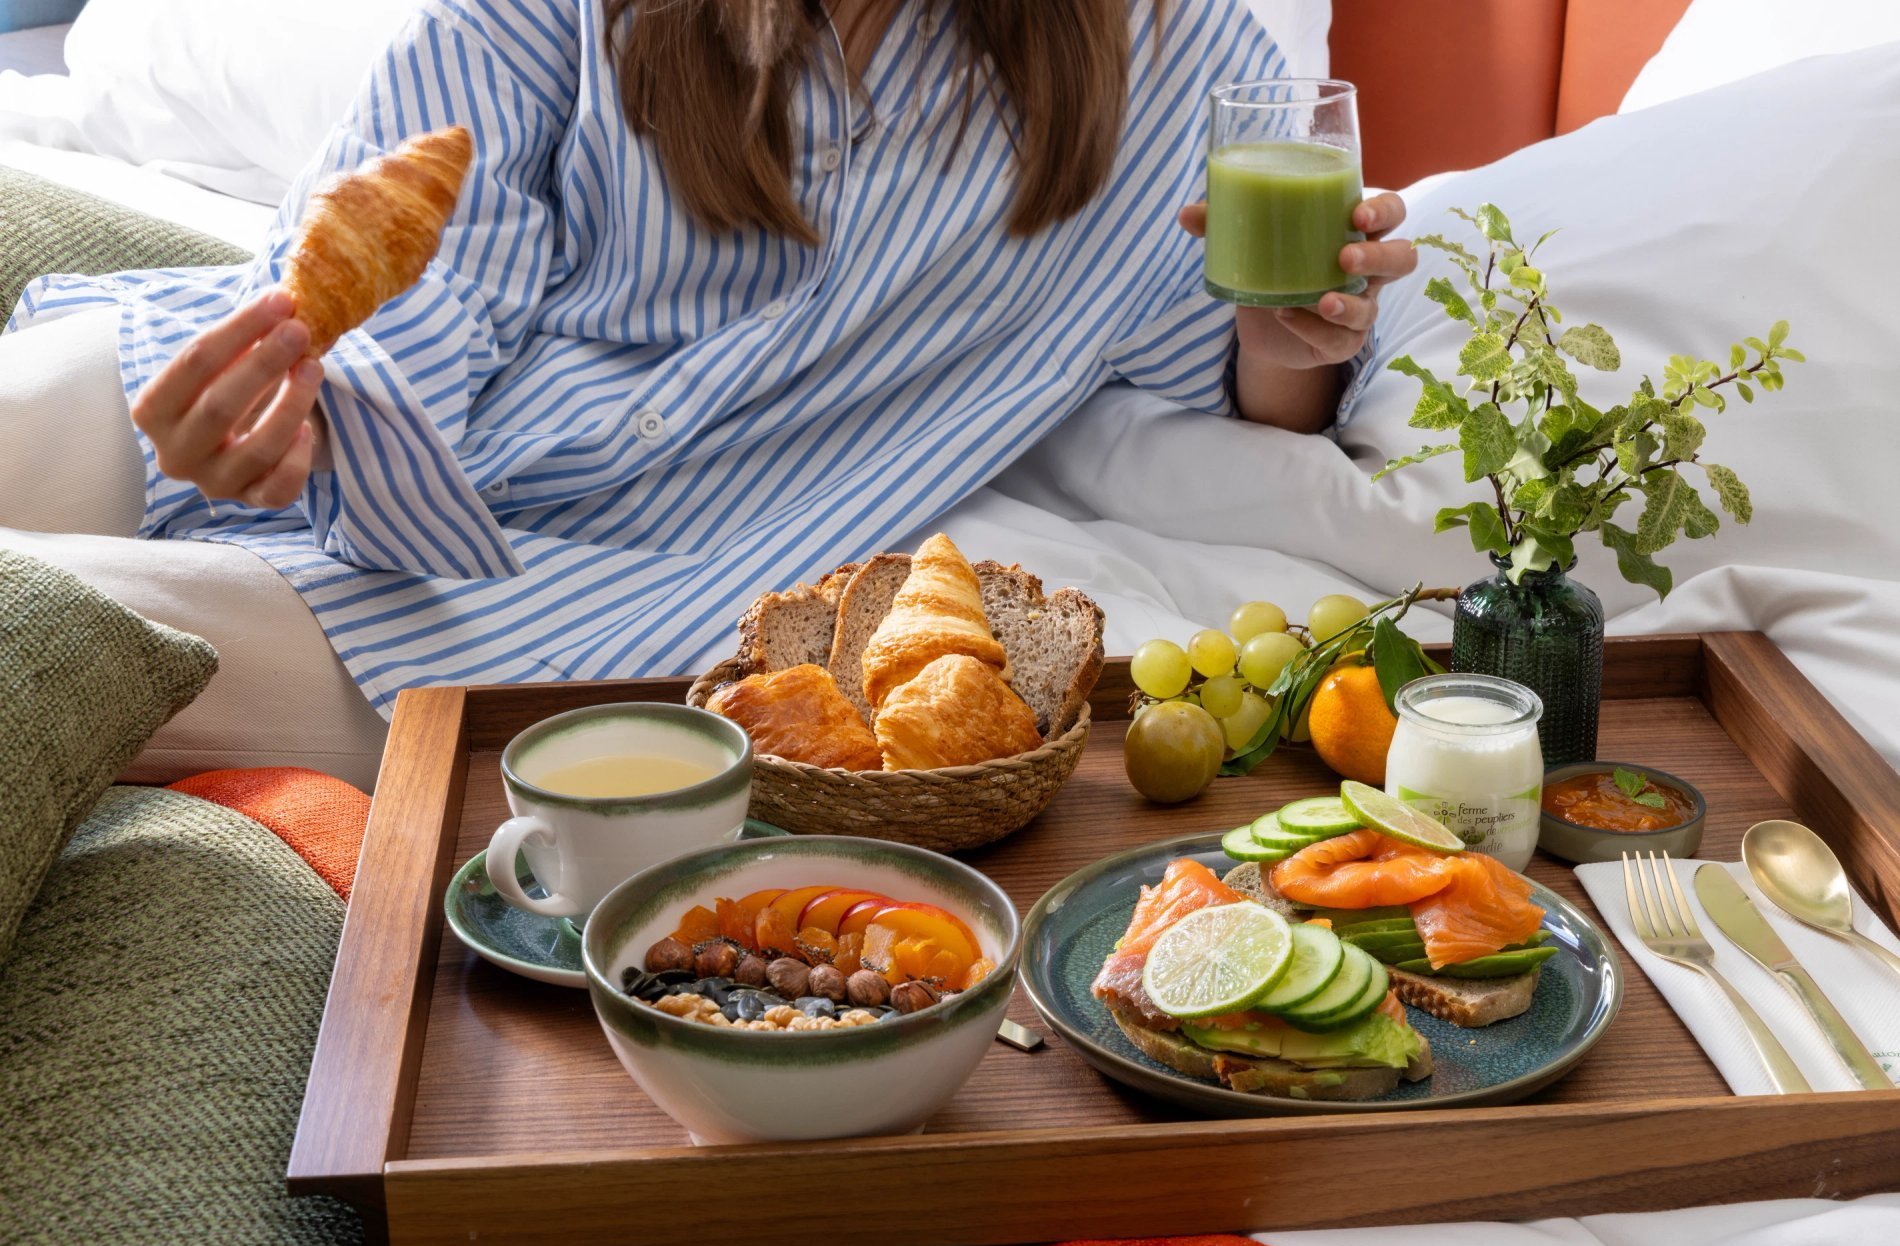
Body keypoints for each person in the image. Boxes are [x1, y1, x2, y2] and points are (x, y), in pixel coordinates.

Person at [0, 0, 1414, 785]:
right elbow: (427, 253)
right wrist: (313, 419)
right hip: (329, 398)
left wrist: (1294, 346)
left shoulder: (1189, 67)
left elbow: (1210, 390)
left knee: (44, 641)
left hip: (598, 592)